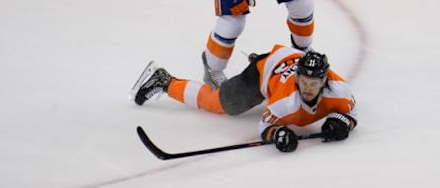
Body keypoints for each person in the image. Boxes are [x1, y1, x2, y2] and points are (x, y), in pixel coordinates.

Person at [130, 44, 357, 153]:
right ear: (297, 78)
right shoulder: (284, 101)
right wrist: (278, 133)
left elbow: (351, 113)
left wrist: (342, 121)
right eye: (304, 81)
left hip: (287, 58)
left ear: (325, 81)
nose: (307, 88)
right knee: (220, 104)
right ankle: (164, 81)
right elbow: (265, 125)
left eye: (314, 83)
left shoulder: (340, 90)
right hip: (264, 72)